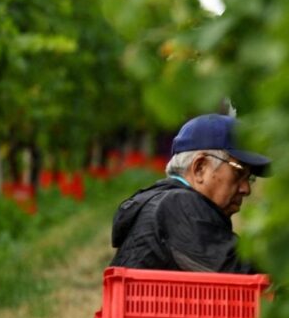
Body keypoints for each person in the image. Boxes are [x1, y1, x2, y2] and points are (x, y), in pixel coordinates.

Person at [110, 113, 271, 272]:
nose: (246, 189)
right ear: (200, 168)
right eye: (238, 172)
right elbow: (240, 271)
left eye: (249, 178)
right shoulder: (178, 206)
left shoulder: (162, 203)